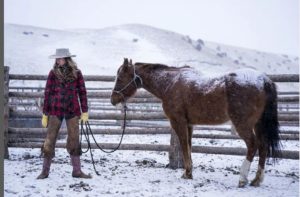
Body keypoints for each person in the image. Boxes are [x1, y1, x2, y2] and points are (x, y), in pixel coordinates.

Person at [37, 48, 92, 179]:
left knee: (74, 139)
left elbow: (82, 93)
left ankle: (77, 171)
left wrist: (84, 111)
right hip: (55, 110)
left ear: (67, 59)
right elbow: (47, 93)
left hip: (72, 110)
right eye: (57, 58)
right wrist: (45, 113)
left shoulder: (77, 73)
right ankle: (45, 171)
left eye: (60, 58)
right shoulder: (52, 73)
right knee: (50, 139)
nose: (58, 60)